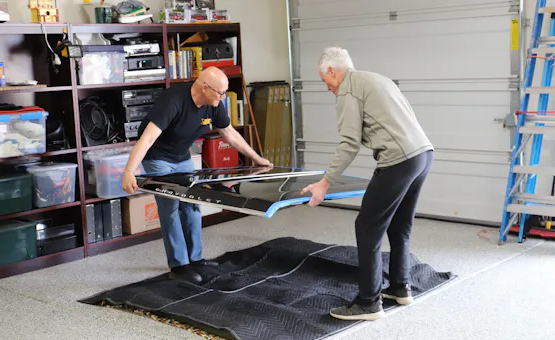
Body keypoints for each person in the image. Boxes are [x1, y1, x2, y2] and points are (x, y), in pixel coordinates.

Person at [302, 47, 434, 321]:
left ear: (331, 71)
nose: (327, 88)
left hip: (399, 160)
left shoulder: (348, 89)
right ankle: (400, 287)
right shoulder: (377, 79)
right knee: (400, 225)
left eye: (325, 80)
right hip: (423, 154)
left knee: (367, 227)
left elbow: (349, 143)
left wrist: (324, 183)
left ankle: (368, 302)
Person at [121, 67, 272, 283]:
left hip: (182, 157)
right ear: (204, 88)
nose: (223, 97)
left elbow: (229, 133)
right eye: (220, 93)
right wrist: (129, 171)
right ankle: (179, 265)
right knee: (170, 208)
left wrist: (256, 158)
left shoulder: (214, 104)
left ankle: (196, 259)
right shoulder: (173, 100)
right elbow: (147, 139)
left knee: (192, 205)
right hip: (158, 157)